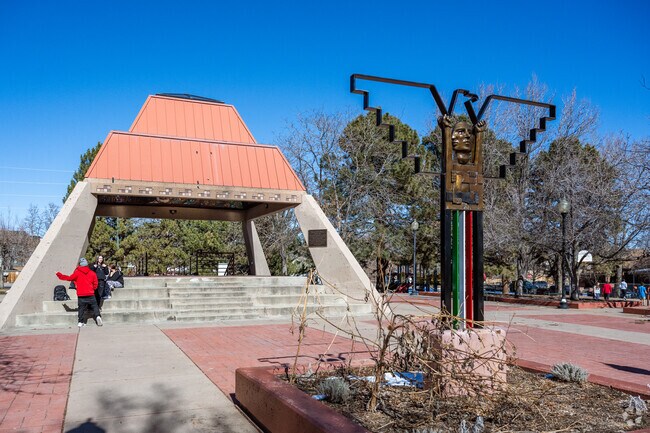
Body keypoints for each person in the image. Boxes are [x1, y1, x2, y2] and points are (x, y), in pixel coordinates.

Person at [56, 258, 102, 327]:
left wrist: (59, 274)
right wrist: (93, 289)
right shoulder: (92, 273)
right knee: (95, 306)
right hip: (90, 293)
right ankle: (98, 316)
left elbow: (69, 278)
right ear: (87, 265)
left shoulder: (77, 273)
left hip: (81, 294)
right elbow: (96, 283)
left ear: (80, 265)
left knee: (81, 308)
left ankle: (80, 322)